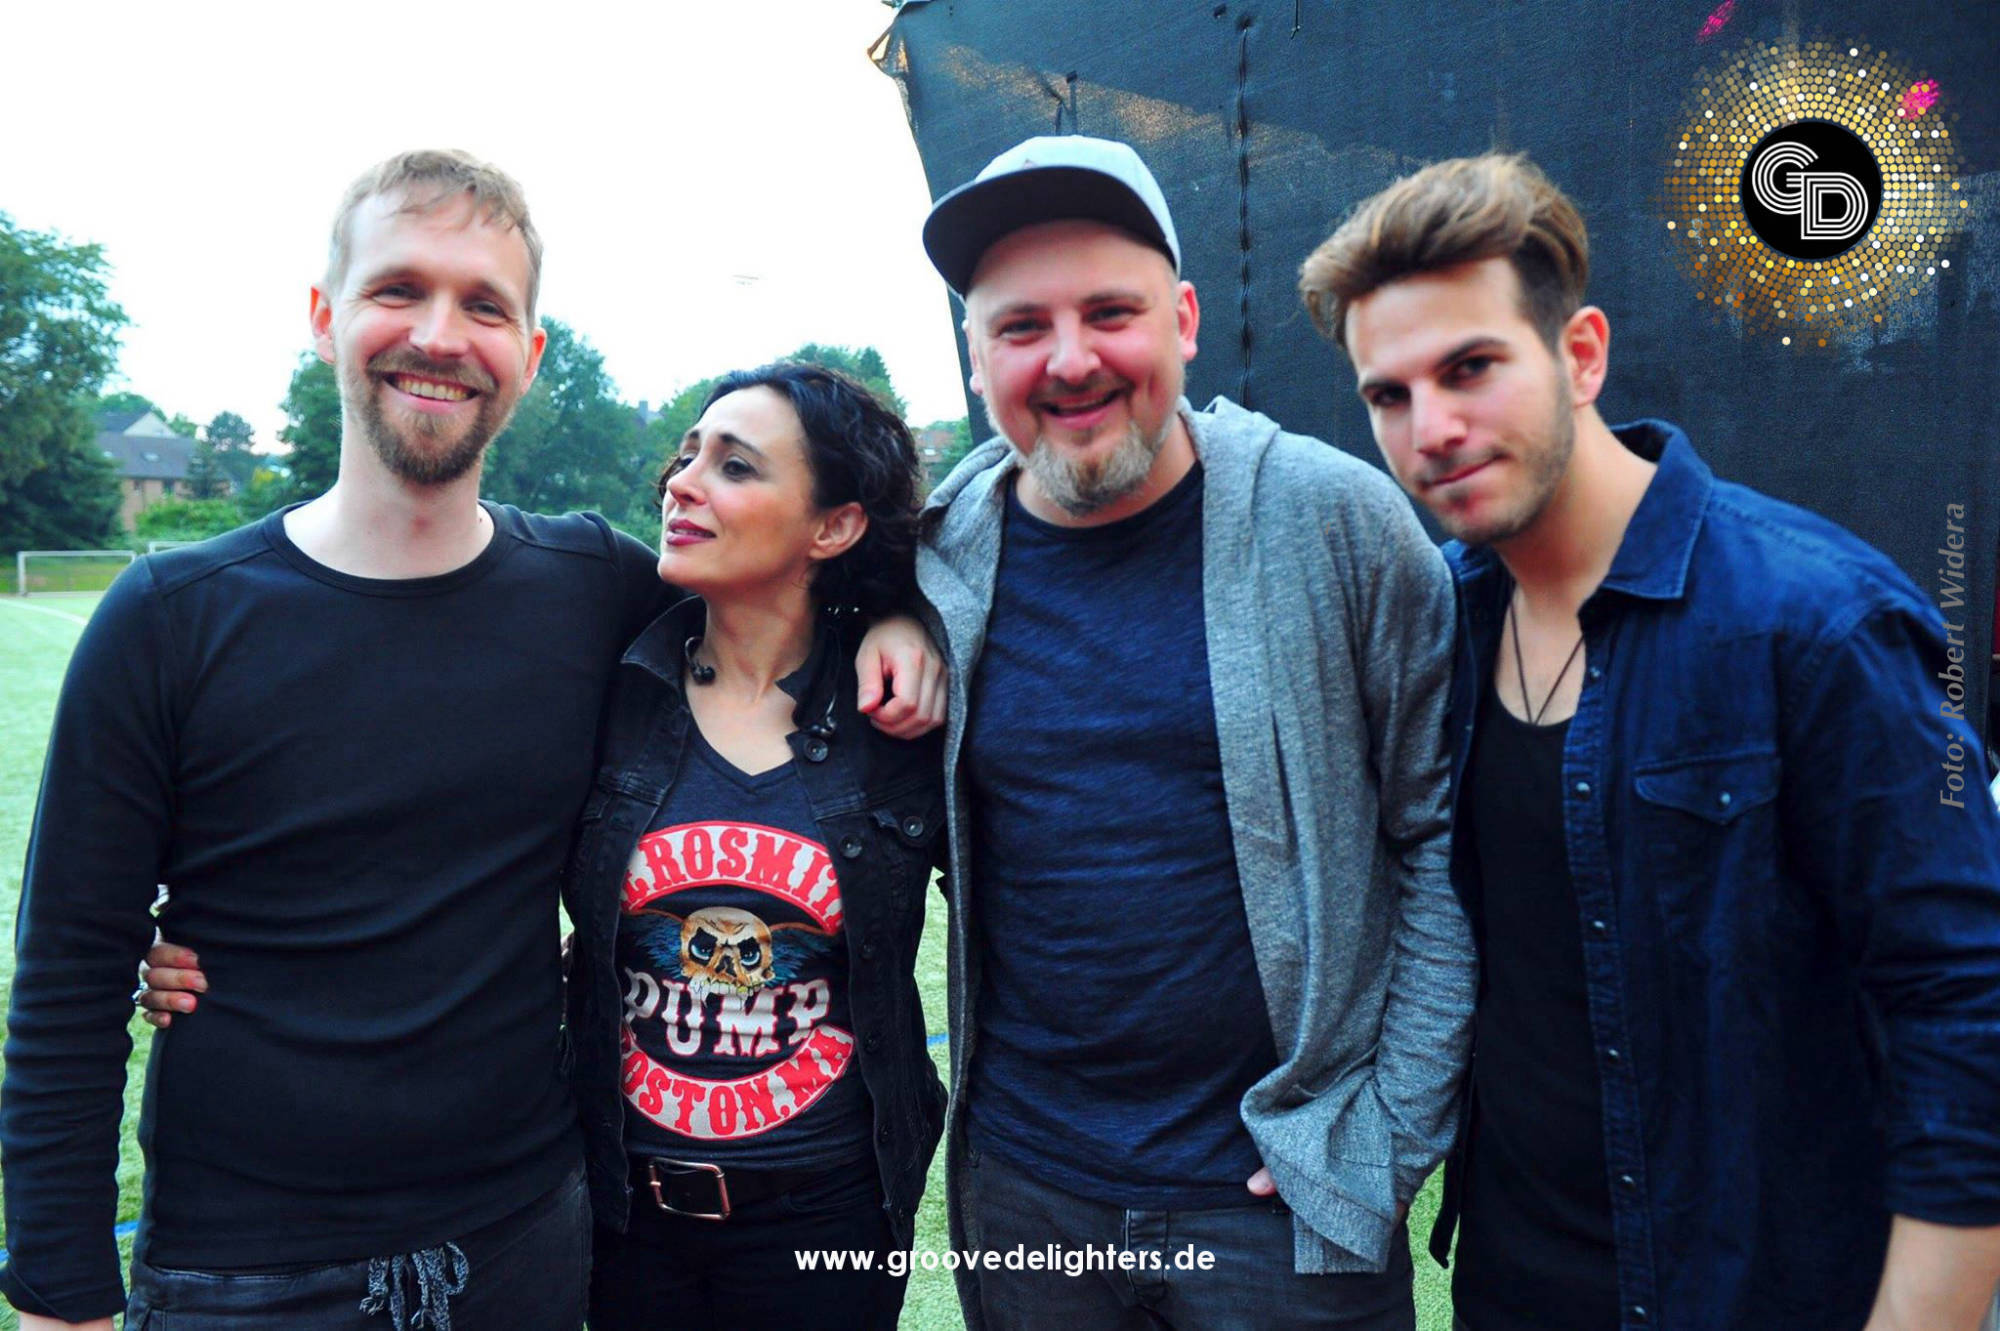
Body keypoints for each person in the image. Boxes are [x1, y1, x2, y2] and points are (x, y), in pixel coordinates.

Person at [2, 149, 940, 1331]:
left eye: (485, 303)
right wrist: (61, 1294)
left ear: (530, 353)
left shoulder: (593, 585)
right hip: (246, 1267)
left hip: (527, 1241)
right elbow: (66, 982)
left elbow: (801, 569)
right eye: (399, 289)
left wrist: (899, 616)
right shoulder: (170, 615)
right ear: (323, 315)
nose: (441, 334)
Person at [1298, 151, 2000, 1331]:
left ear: (1578, 355)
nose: (1433, 426)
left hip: (1758, 1288)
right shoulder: (1440, 624)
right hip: (1512, 1285)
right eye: (1388, 394)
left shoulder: (1818, 617)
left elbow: (1964, 1003)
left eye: (1470, 366)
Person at [913, 135, 1476, 1330]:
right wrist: (875, 624)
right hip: (1028, 1189)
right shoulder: (936, 552)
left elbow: (1437, 840)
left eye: (1108, 312)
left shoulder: (1336, 523)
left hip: (1273, 1194)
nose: (1068, 360)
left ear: (1182, 318)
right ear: (974, 360)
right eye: (1019, 327)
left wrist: (1381, 1137)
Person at [564, 363, 946, 1329]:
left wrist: (909, 613)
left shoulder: (898, 717)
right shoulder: (607, 687)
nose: (681, 482)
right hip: (623, 1213)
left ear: (833, 525)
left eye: (735, 467)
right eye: (687, 455)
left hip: (828, 1212)